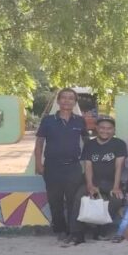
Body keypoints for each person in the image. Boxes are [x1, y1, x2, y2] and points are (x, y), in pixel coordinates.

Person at [34, 88, 87, 244]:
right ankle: (61, 230)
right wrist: (39, 164)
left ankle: (73, 231)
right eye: (64, 97)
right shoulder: (48, 120)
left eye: (71, 98)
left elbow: (87, 143)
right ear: (58, 101)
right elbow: (39, 143)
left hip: (73, 167)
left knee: (73, 200)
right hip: (52, 167)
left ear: (75, 102)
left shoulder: (79, 120)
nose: (67, 101)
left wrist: (88, 164)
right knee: (55, 201)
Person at [75, 117, 128, 243]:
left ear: (113, 130)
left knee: (116, 200)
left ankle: (100, 231)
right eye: (102, 128)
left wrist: (116, 187)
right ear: (97, 129)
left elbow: (119, 166)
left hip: (111, 183)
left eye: (109, 128)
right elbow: (87, 166)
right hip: (93, 181)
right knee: (78, 197)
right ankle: (77, 234)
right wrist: (90, 185)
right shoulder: (90, 145)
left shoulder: (119, 144)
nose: (105, 131)